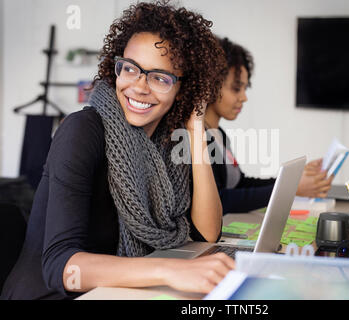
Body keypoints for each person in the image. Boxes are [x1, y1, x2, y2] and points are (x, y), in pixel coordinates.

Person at [1, 2, 234, 300]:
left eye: (160, 78)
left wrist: (196, 127)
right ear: (117, 68)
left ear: (182, 90)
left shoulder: (170, 143)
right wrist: (168, 271)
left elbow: (207, 233)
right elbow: (60, 267)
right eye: (130, 68)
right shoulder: (82, 131)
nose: (139, 86)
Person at [204, 37, 333, 214]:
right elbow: (220, 200)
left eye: (244, 88)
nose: (244, 97)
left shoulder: (218, 134)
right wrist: (290, 189)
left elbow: (239, 184)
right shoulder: (197, 139)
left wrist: (292, 180)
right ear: (210, 86)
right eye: (236, 88)